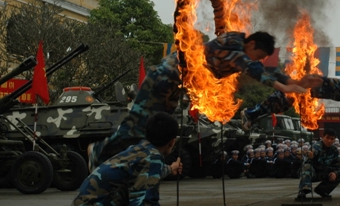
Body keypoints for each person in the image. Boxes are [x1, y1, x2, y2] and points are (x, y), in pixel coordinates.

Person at [87, 31, 315, 170]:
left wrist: (292, 81)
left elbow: (264, 69)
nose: (258, 60)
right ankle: (97, 151)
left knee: (157, 131)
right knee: (137, 124)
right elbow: (251, 67)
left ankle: (129, 164)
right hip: (164, 77)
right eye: (259, 55)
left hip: (177, 85)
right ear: (252, 45)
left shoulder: (241, 51)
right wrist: (283, 86)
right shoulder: (235, 48)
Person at [241, 77, 340, 130]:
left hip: (305, 93)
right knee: (276, 101)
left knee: (278, 106)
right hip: (303, 86)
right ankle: (249, 113)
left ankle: (251, 116)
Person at [296, 128, 340, 201]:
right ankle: (303, 190)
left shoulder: (334, 150)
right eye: (327, 138)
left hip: (324, 172)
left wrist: (335, 173)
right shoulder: (316, 147)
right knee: (307, 166)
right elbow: (305, 162)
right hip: (312, 173)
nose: (329, 141)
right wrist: (310, 157)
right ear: (323, 137)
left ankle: (323, 190)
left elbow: (339, 164)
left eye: (332, 139)